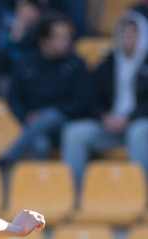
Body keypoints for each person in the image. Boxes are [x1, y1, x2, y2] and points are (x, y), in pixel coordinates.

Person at [62, 11, 148, 182]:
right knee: (74, 133)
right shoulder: (107, 63)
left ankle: (142, 190)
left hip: (139, 123)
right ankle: (74, 192)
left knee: (139, 132)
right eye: (124, 34)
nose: (127, 38)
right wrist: (103, 117)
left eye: (133, 34)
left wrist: (129, 119)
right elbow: (91, 97)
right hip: (110, 125)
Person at [0, 12, 89, 168]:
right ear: (44, 41)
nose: (66, 42)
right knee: (40, 144)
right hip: (33, 126)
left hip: (67, 125)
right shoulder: (26, 63)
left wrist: (51, 113)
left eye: (67, 37)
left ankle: (9, 157)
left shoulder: (76, 65)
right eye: (60, 37)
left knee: (51, 116)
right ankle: (42, 189)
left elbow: (82, 101)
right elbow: (13, 97)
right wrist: (25, 116)